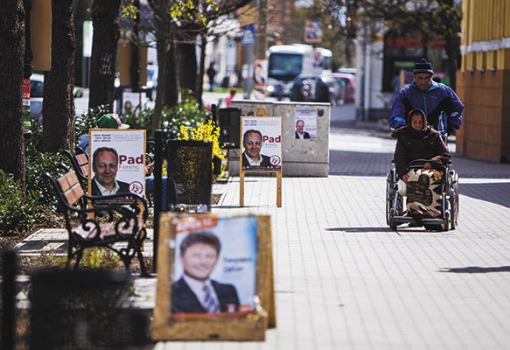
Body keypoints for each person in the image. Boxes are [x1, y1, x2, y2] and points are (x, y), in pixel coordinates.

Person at [78, 114, 176, 209]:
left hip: (122, 183)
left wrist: (140, 170)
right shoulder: (101, 148)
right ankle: (164, 216)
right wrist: (139, 172)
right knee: (166, 182)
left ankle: (165, 215)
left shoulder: (97, 143)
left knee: (167, 181)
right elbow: (111, 172)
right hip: (120, 188)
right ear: (110, 131)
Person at [388, 58, 464, 138]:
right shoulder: (406, 94)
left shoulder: (443, 91)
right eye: (420, 78)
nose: (423, 82)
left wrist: (451, 125)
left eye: (427, 78)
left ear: (431, 76)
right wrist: (403, 128)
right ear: (414, 77)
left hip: (438, 138)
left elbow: (458, 108)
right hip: (413, 139)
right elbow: (396, 115)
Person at [172, 231, 240, 314]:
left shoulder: (229, 291)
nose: (203, 262)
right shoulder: (171, 294)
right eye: (196, 256)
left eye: (209, 256)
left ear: (217, 259)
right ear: (181, 257)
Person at [393, 109, 451, 182]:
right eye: (415, 122)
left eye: (420, 122)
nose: (418, 125)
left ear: (424, 122)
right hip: (410, 170)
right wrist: (403, 173)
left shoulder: (434, 135)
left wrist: (432, 163)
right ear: (410, 122)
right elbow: (399, 157)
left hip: (431, 169)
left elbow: (445, 154)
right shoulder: (404, 136)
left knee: (432, 179)